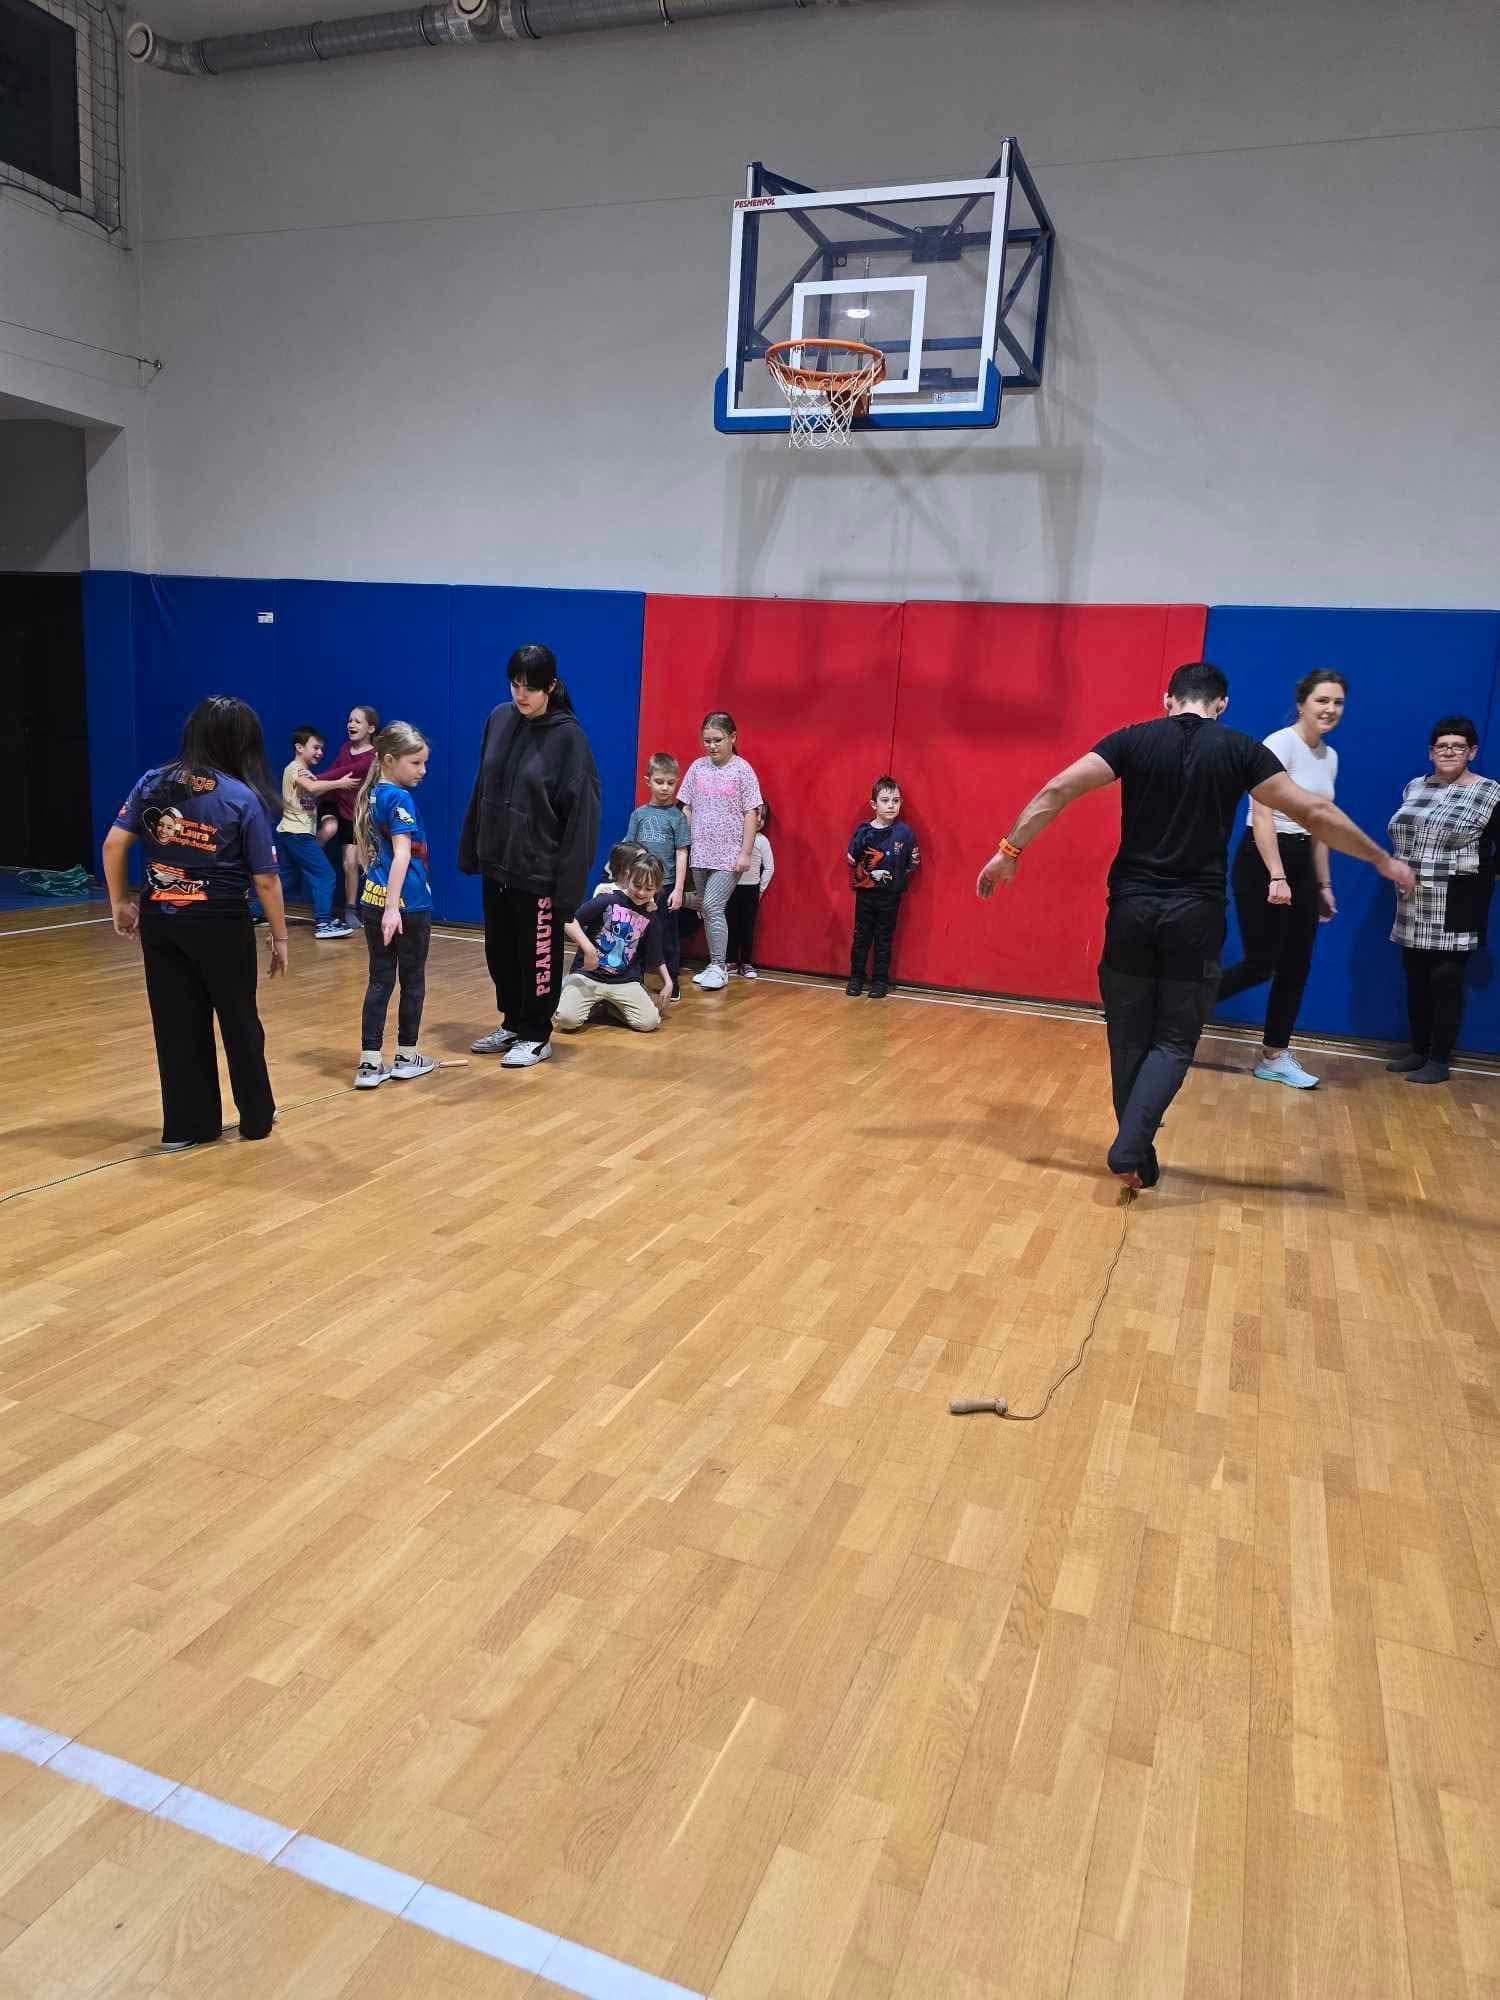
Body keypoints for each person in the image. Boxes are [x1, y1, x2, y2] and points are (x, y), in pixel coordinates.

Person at [975, 662, 1416, 1190]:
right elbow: (1316, 813)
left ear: (1167, 699)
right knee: (1173, 1041)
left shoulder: (1131, 741)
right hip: (1195, 917)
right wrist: (1381, 860)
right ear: (1221, 704)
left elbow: (1056, 789)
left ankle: (1134, 1151)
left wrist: (1009, 851)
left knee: (1128, 1038)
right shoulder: (1240, 749)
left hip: (1131, 911)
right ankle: (1131, 1148)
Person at [102, 695, 286, 1151]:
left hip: (161, 919)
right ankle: (256, 1118)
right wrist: (281, 937)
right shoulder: (241, 796)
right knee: (239, 1019)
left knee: (175, 1023)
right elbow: (265, 879)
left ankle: (186, 1127)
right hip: (221, 921)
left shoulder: (151, 782)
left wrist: (120, 902)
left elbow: (112, 845)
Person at [459, 643, 601, 1069]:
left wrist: (568, 891)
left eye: (531, 688)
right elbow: (482, 787)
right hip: (497, 864)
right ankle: (513, 1022)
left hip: (538, 871)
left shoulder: (570, 739)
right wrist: (473, 847)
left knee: (536, 957)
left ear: (551, 686)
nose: (520, 695)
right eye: (515, 685)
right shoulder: (499, 718)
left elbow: (582, 818)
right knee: (500, 954)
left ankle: (537, 1034)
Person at [1216, 672, 1348, 1088]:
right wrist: (1277, 874)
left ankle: (1275, 1055)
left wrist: (1323, 885)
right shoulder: (1279, 744)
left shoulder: (1329, 756)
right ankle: (1170, 1016)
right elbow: (1261, 815)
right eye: (1322, 700)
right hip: (1263, 857)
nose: (1330, 709)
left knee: (1296, 965)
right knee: (1262, 963)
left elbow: (1320, 823)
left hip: (1303, 858)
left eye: (1338, 702)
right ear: (1302, 702)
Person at [1385, 715, 1500, 1085]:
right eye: (1442, 746)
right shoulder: (1415, 786)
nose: (1449, 752)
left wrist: (1480, 880)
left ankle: (1439, 1058)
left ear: (1472, 752)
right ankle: (1418, 1050)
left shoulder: (1490, 792)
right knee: (1415, 976)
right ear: (1431, 751)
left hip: (1458, 898)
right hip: (1413, 895)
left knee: (1446, 979)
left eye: (1458, 746)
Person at [352, 721, 438, 1089]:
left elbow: (362, 852)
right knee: (412, 980)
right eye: (415, 763)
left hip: (372, 901)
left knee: (379, 979)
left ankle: (369, 1062)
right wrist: (393, 907)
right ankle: (405, 1056)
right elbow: (402, 854)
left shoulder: (371, 794)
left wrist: (379, 897)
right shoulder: (400, 798)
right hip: (408, 905)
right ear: (389, 759)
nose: (423, 770)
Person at [676, 711, 763, 992]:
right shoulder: (697, 768)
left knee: (713, 905)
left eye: (718, 740)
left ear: (732, 737)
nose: (712, 746)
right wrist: (683, 841)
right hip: (701, 852)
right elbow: (687, 807)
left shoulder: (743, 770)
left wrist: (745, 853)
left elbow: (751, 813)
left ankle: (719, 966)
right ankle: (714, 965)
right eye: (707, 741)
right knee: (706, 906)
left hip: (729, 854)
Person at [556, 844, 672, 1036]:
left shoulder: (650, 916)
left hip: (624, 980)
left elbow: (656, 954)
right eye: (637, 885)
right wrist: (588, 949)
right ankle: (590, 1001)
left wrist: (668, 982)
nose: (641, 893)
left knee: (649, 1022)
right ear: (629, 876)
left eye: (648, 889)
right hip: (589, 975)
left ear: (656, 889)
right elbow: (568, 920)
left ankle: (610, 1006)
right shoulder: (607, 899)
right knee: (567, 1020)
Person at [302, 705, 379, 930]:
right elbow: (336, 770)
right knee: (329, 829)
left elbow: (344, 773)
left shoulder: (372, 756)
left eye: (357, 721)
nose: (351, 724)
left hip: (353, 812)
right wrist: (318, 784)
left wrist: (314, 779)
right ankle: (306, 858)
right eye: (349, 720)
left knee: (350, 861)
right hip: (334, 801)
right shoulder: (345, 748)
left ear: (370, 728)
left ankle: (351, 908)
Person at [846, 776, 920, 999]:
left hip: (890, 897)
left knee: (884, 939)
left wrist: (895, 878)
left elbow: (913, 862)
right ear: (873, 804)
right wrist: (870, 875)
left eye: (895, 801)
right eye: (885, 800)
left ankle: (880, 981)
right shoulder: (863, 831)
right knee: (861, 938)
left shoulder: (905, 833)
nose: (891, 805)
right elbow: (851, 859)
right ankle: (856, 977)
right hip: (866, 895)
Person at [625, 752, 691, 1001]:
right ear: (648, 781)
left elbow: (682, 853)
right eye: (659, 781)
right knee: (636, 932)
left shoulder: (678, 817)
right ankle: (634, 978)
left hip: (666, 886)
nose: (665, 788)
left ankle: (671, 980)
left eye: (670, 783)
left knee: (667, 936)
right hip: (639, 887)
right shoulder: (638, 815)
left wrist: (679, 889)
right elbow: (629, 848)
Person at [276, 725, 346, 940]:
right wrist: (341, 783)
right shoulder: (295, 768)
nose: (320, 752)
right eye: (315, 747)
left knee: (288, 878)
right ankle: (323, 923)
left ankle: (255, 910)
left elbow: (314, 787)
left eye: (321, 749)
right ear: (299, 747)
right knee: (325, 875)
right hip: (297, 833)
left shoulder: (304, 771)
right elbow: (314, 788)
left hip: (292, 833)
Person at [726, 802, 775, 979]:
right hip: (731, 888)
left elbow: (769, 867)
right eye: (756, 815)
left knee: (747, 927)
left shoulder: (762, 841)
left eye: (763, 817)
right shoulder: (734, 837)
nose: (759, 820)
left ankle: (746, 962)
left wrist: (760, 889)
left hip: (751, 890)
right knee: (731, 925)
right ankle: (731, 961)